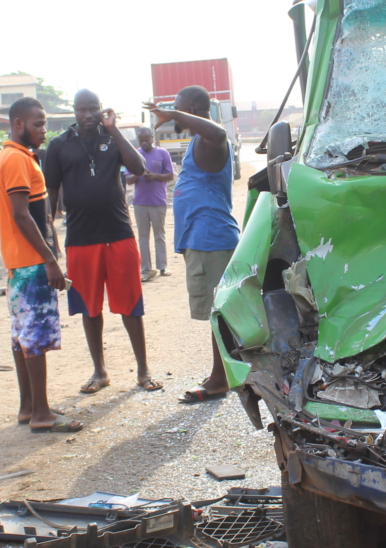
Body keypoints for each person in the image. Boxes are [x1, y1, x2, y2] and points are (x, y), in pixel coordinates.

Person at [43, 89, 160, 394]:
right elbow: (51, 194)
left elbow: (137, 168)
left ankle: (144, 370)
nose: (87, 115)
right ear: (73, 110)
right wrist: (49, 238)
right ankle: (100, 371)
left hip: (119, 233)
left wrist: (113, 129)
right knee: (89, 307)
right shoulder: (58, 145)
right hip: (81, 238)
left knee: (131, 304)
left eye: (92, 109)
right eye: (81, 109)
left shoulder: (111, 138)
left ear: (100, 110)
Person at [146, 85, 241, 403]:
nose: (174, 113)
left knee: (217, 313)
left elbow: (219, 134)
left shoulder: (209, 140)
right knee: (219, 312)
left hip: (209, 239)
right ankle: (223, 373)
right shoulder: (198, 142)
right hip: (203, 239)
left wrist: (174, 114)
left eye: (180, 108)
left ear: (196, 113)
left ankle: (220, 379)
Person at [0, 98, 79, 432]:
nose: (44, 130)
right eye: (38, 124)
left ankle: (29, 406)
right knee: (35, 337)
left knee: (23, 338)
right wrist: (50, 260)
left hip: (19, 264)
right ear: (18, 124)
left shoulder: (11, 156)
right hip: (30, 263)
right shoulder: (15, 159)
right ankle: (41, 413)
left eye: (44, 124)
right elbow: (20, 215)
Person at [125, 126, 175, 281]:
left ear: (152, 138)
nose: (144, 143)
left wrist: (155, 176)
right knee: (143, 237)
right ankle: (146, 269)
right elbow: (128, 179)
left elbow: (170, 175)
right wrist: (139, 174)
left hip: (158, 201)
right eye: (141, 140)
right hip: (140, 202)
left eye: (147, 139)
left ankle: (163, 266)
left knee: (159, 235)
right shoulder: (134, 154)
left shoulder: (162, 153)